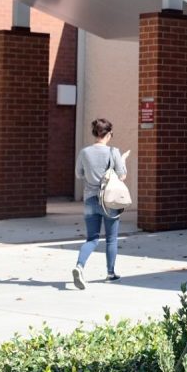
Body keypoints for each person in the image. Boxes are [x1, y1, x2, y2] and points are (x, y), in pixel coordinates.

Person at [72, 118, 129, 288]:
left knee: (92, 239)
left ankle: (79, 266)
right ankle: (110, 273)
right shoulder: (114, 151)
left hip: (90, 199)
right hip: (109, 200)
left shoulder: (84, 152)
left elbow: (79, 174)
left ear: (94, 133)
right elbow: (122, 176)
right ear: (109, 134)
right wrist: (123, 160)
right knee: (111, 239)